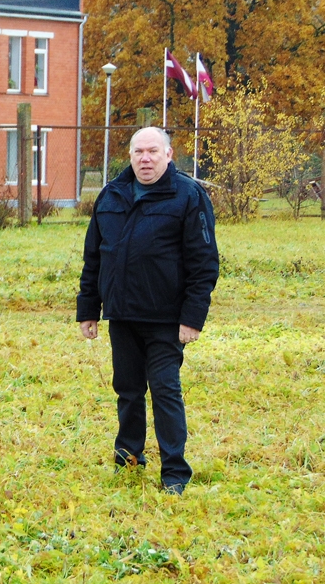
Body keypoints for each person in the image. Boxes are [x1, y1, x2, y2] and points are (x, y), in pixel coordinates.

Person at [76, 126, 219, 495]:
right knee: (127, 389)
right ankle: (129, 458)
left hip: (166, 320)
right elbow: (94, 257)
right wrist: (88, 309)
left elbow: (204, 262)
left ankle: (174, 473)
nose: (145, 158)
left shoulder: (188, 196)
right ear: (131, 155)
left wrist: (192, 317)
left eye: (153, 151)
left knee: (165, 389)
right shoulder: (111, 195)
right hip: (122, 315)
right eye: (139, 151)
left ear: (169, 155)